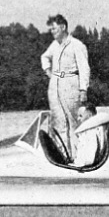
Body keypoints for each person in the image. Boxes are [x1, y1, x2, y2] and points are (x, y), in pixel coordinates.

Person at [41, 14, 90, 159]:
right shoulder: (54, 45)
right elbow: (44, 56)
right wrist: (48, 71)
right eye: (51, 29)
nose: (52, 32)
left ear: (63, 27)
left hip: (71, 85)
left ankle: (77, 156)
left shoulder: (77, 45)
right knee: (58, 121)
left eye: (54, 29)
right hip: (55, 86)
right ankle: (63, 156)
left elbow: (84, 68)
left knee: (73, 121)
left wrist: (83, 89)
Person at [71, 103, 109, 168]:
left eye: (81, 116)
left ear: (90, 115)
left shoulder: (90, 131)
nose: (78, 119)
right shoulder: (99, 127)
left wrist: (77, 164)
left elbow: (89, 159)